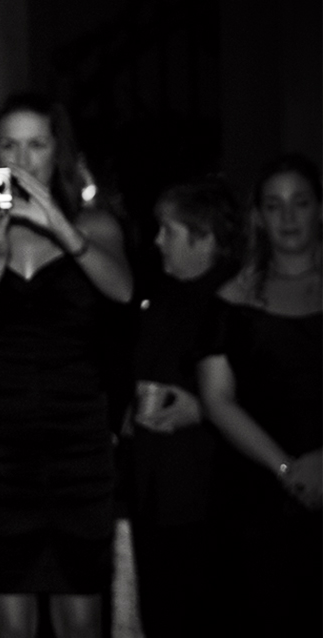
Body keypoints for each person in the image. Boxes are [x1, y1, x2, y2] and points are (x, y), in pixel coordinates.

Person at [0, 93, 133, 638]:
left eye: (37, 145)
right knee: (7, 614)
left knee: (81, 612)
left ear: (59, 153)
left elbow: (122, 291)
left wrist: (58, 222)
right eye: (10, 145)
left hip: (78, 440)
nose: (23, 161)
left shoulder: (94, 225)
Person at [197, 153, 322, 638]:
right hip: (256, 495)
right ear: (258, 216)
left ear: (319, 209)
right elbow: (216, 399)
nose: (288, 217)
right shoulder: (232, 300)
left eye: (301, 202)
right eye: (274, 205)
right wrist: (289, 469)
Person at [125, 178, 243, 637]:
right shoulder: (162, 296)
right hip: (154, 488)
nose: (157, 241)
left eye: (168, 231)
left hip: (207, 494)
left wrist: (204, 408)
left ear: (205, 237)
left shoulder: (235, 299)